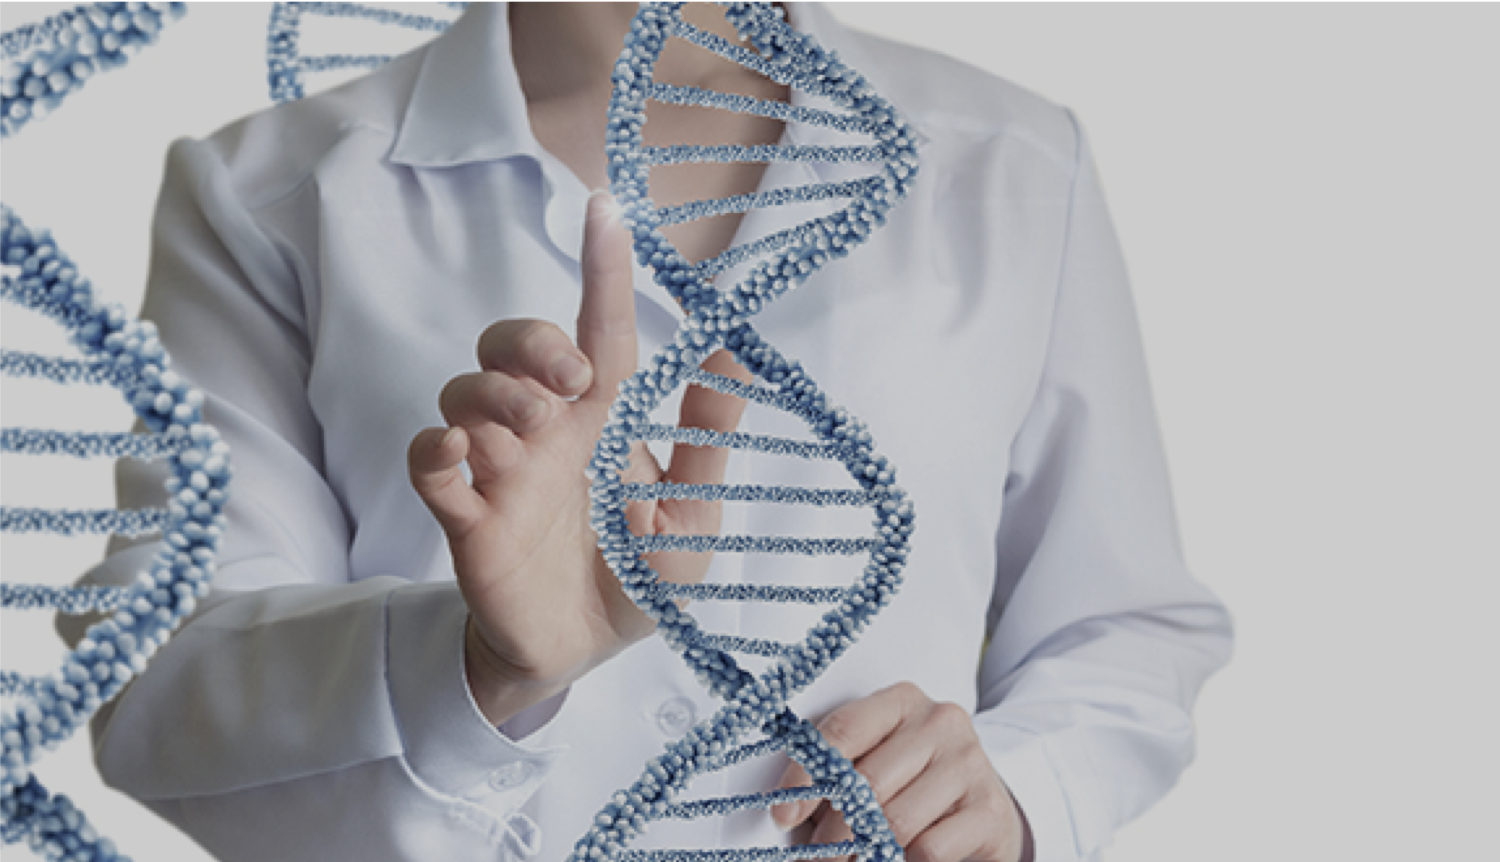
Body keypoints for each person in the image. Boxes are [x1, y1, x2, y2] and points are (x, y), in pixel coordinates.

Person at [78, 3, 1232, 861]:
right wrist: (481, 666)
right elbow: (153, 685)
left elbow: (1124, 627)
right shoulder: (270, 197)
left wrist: (1016, 794)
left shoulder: (1014, 165)